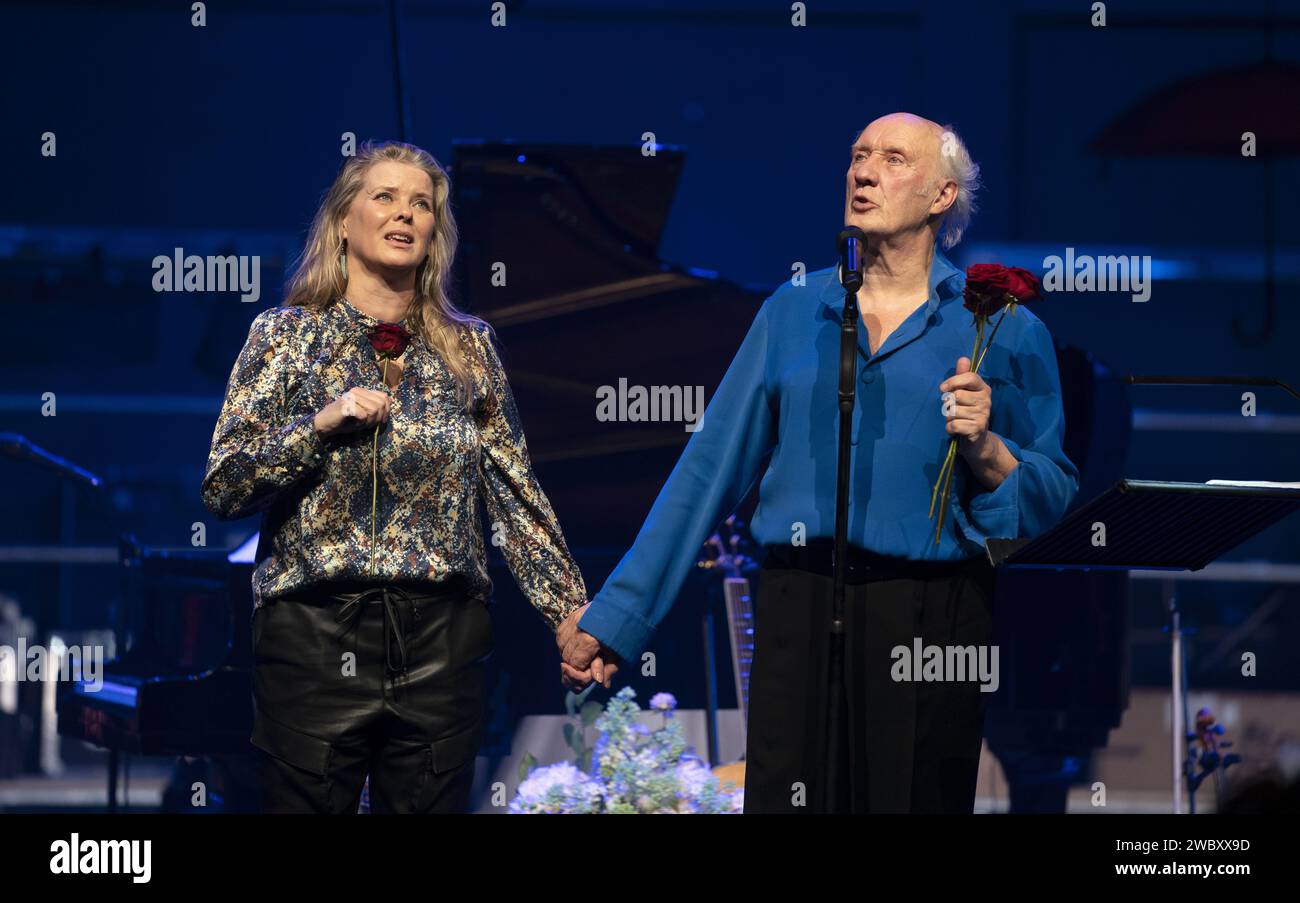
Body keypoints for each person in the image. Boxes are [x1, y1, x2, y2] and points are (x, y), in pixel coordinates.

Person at [556, 113, 1080, 813]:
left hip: (927, 614)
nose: (863, 171)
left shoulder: (1002, 328)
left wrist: (987, 450)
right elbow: (707, 471)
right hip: (799, 605)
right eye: (858, 156)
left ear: (943, 195)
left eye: (893, 159)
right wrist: (619, 614)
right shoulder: (795, 310)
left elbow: (1051, 493)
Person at [201, 141, 589, 813]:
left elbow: (514, 489)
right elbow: (224, 484)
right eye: (385, 196)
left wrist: (568, 612)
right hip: (315, 635)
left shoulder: (470, 347)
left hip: (442, 639)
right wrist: (318, 426)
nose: (405, 213)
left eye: (422, 203)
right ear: (343, 221)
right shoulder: (285, 336)